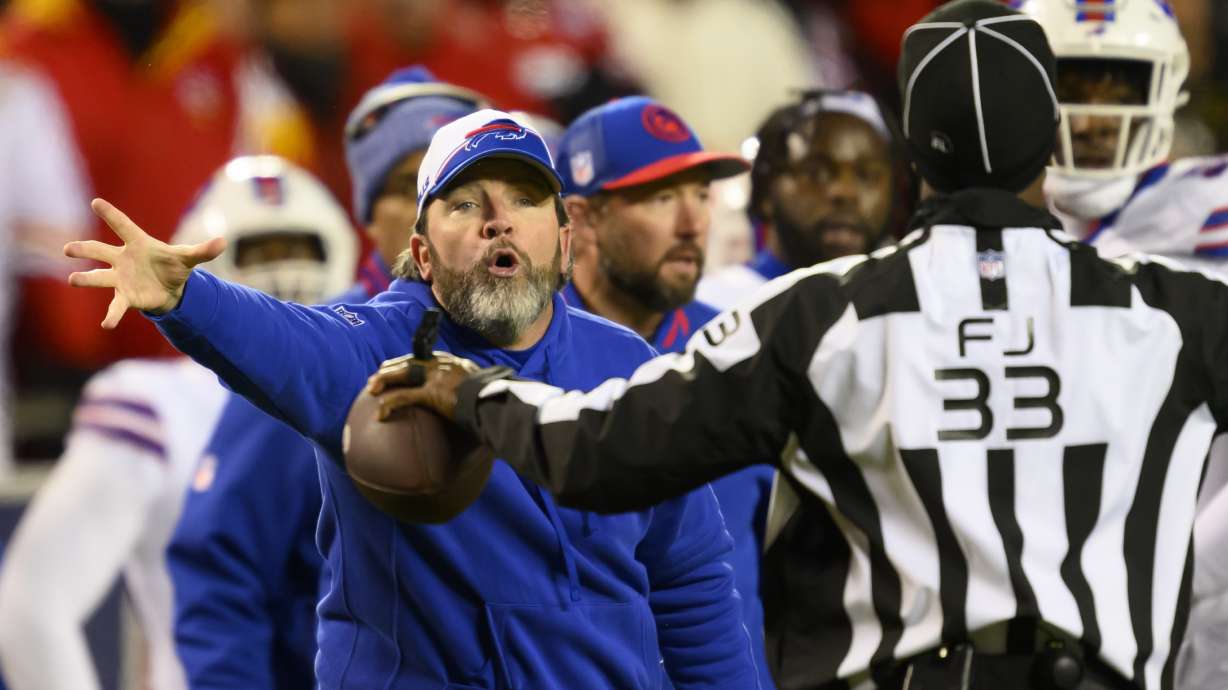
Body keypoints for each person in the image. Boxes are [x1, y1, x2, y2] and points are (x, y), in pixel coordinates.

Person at [376, 2, 1227, 689]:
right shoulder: (1177, 308)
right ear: (1051, 142)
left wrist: (470, 389)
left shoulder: (819, 315)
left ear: (909, 155)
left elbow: (604, 448)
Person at [68, 110, 760, 689]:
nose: (499, 221)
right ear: (422, 255)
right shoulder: (374, 352)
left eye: (524, 199)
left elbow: (691, 582)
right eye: (466, 204)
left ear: (564, 241)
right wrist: (188, 296)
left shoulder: (627, 365)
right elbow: (282, 340)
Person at [166, 67, 484, 690]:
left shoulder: (551, 339)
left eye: (465, 185)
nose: (440, 209)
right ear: (367, 213)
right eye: (409, 185)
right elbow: (222, 577)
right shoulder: (305, 349)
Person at [0, 156, 358, 690]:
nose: (284, 271)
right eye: (259, 251)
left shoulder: (379, 381)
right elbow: (34, 605)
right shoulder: (156, 404)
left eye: (299, 248)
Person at [1008, 4, 1228, 686]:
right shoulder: (976, 244)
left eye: (1118, 86)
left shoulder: (1213, 211)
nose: (1097, 117)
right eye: (1073, 83)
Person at [554, 94, 776, 688]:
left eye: (701, 194)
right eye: (660, 197)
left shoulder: (745, 354)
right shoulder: (523, 361)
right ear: (581, 218)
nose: (692, 223)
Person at [697, 89, 904, 311]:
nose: (845, 192)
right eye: (816, 173)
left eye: (867, 176)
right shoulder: (709, 309)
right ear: (766, 190)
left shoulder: (912, 310)